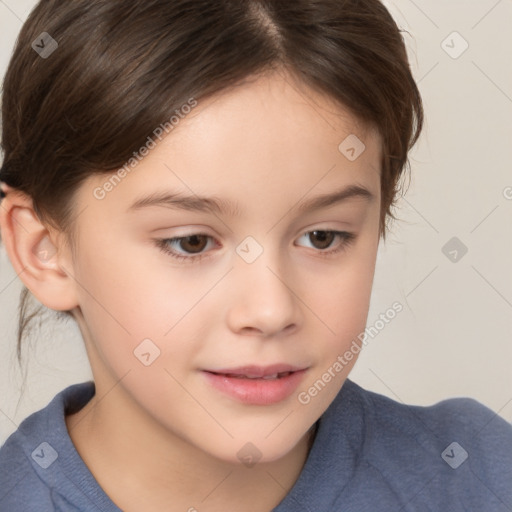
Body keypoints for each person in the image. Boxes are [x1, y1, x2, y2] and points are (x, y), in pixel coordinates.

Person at [0, 1, 510, 511]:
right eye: (191, 242)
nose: (271, 311)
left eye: (323, 237)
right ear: (44, 250)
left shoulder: (474, 477)